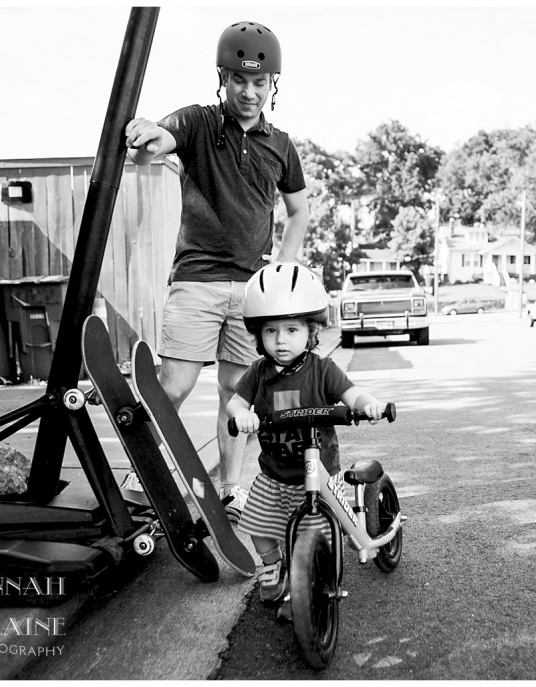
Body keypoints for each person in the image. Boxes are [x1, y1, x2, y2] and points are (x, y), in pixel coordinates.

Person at [124, 21, 309, 506]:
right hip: (197, 281)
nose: (249, 92)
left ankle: (231, 486)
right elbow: (154, 146)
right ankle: (148, 478)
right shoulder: (198, 122)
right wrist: (146, 134)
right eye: (239, 81)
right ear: (223, 78)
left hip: (252, 292)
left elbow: (299, 210)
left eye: (260, 82)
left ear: (274, 85)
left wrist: (281, 270)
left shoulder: (281, 145)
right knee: (175, 384)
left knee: (237, 392)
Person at [225, 263, 388, 615]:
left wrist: (369, 405)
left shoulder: (322, 369)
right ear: (258, 335)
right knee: (256, 523)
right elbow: (236, 401)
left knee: (319, 537)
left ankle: (310, 588)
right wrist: (242, 414)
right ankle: (273, 567)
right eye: (270, 330)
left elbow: (351, 394)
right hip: (273, 473)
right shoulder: (259, 373)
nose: (280, 340)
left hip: (318, 476)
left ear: (312, 331)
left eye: (292, 329)